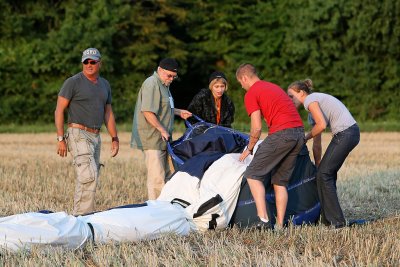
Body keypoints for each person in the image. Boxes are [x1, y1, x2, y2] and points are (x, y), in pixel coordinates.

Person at [236, 63, 304, 229]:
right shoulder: (273, 87)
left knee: (252, 174)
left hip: (282, 134)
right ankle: (279, 225)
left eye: (240, 83)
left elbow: (257, 127)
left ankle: (263, 220)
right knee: (280, 182)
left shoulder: (252, 93)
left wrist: (250, 148)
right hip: (299, 134)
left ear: (244, 78)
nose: (242, 87)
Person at [287, 78, 360, 228]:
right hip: (348, 134)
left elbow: (321, 125)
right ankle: (327, 219)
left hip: (346, 133)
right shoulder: (313, 109)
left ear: (301, 92)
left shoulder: (310, 100)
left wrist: (305, 137)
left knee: (324, 175)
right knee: (324, 174)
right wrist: (319, 163)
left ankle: (337, 222)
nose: (289, 100)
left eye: (291, 96)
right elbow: (317, 142)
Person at [55, 47, 119, 215]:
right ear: (82, 63)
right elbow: (59, 110)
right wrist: (60, 139)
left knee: (92, 176)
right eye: (86, 62)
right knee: (87, 176)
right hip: (78, 133)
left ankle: (85, 216)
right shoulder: (73, 82)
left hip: (96, 135)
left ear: (100, 63)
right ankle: (81, 218)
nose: (89, 65)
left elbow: (108, 113)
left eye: (93, 62)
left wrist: (115, 138)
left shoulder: (105, 84)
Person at [131, 58, 192, 200]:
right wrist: (162, 129)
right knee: (157, 179)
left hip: (163, 140)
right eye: (168, 75)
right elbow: (147, 111)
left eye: (173, 77)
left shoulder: (164, 85)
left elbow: (164, 107)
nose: (171, 79)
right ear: (159, 70)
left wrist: (179, 112)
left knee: (166, 176)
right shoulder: (151, 84)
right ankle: (156, 211)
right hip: (153, 139)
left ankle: (165, 208)